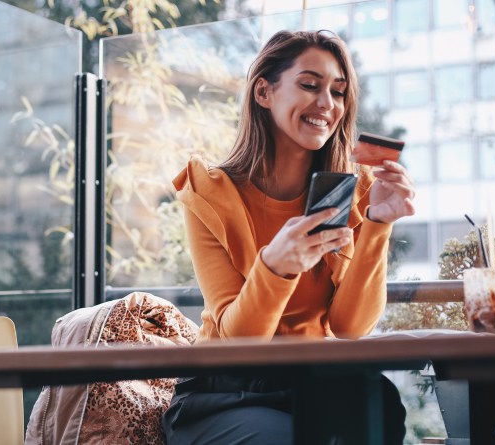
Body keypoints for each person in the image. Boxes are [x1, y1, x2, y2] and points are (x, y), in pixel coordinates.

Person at [162, 30, 417, 444]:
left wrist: (378, 224)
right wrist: (274, 267)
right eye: (309, 85)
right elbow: (238, 343)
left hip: (309, 382)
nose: (327, 104)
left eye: (338, 92)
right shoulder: (211, 192)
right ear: (264, 91)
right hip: (224, 393)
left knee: (379, 403)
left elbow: (351, 327)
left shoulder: (354, 189)